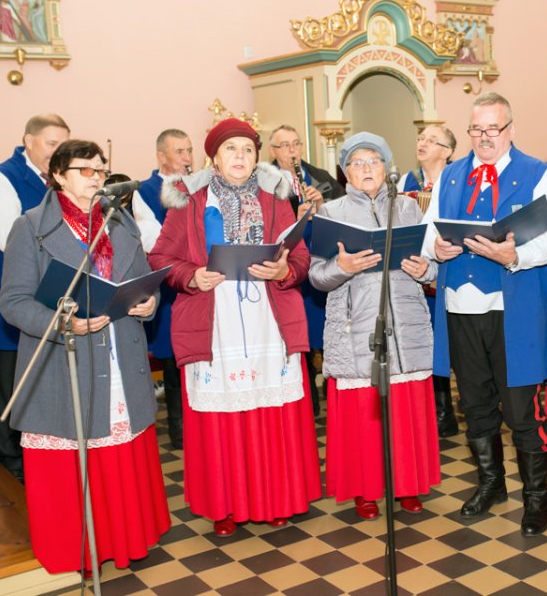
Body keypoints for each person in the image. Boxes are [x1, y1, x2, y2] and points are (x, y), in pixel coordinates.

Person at [0, 139, 169, 573]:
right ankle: (78, 551)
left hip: (120, 351)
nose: (96, 177)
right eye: (85, 170)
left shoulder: (120, 221)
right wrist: (62, 325)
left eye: (100, 169)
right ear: (58, 175)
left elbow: (144, 281)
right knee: (73, 464)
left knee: (118, 457)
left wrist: (149, 303)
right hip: (65, 358)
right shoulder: (32, 226)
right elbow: (14, 302)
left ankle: (123, 541)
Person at [148, 118, 321, 537]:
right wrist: (191, 276)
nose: (239, 157)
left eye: (247, 149)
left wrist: (283, 269)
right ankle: (225, 505)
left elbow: (300, 258)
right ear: (214, 158)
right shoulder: (189, 202)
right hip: (214, 319)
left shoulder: (275, 200)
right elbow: (159, 258)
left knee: (271, 413)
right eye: (230, 150)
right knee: (221, 420)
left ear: (256, 156)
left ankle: (277, 499)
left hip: (269, 318)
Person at [424, 92, 547, 537]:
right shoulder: (450, 176)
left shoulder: (537, 174)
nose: (484, 138)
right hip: (459, 307)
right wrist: (437, 248)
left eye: (493, 129)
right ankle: (490, 483)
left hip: (513, 309)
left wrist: (513, 255)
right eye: (476, 129)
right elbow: (429, 233)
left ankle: (536, 496)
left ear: (510, 129)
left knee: (521, 410)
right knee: (475, 404)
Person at [309, 132, 440, 519]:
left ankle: (408, 486)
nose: (367, 169)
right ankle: (365, 489)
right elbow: (317, 276)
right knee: (362, 415)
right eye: (358, 163)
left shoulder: (409, 208)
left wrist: (424, 269)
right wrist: (341, 267)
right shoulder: (330, 214)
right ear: (345, 171)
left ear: (386, 168)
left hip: (406, 322)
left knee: (405, 413)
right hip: (356, 325)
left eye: (375, 162)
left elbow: (430, 265)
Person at [0, 113, 70, 482]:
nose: (57, 152)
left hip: (54, 299)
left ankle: (47, 464)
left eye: (63, 144)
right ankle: (11, 471)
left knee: (48, 386)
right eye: (51, 144)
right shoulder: (0, 178)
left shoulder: (61, 180)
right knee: (12, 391)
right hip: (13, 302)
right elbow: (10, 239)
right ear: (28, 141)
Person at [269, 124, 345, 415]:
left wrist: (323, 205)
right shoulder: (265, 182)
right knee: (301, 336)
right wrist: (293, 217)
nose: (292, 151)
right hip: (289, 268)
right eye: (284, 145)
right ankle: (307, 405)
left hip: (322, 263)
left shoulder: (322, 177)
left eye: (296, 144)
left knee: (328, 332)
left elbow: (344, 214)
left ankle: (336, 399)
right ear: (273, 152)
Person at [132, 129, 193, 449]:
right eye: (179, 151)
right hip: (168, 288)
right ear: (161, 156)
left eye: (189, 151)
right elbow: (153, 241)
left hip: (201, 282)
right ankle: (179, 429)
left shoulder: (200, 186)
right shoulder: (143, 191)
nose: (187, 158)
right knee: (173, 362)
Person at [399, 124, 460, 437]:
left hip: (446, 273)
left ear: (448, 151)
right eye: (420, 137)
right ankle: (434, 410)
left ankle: (448, 409)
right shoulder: (406, 181)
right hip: (413, 276)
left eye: (431, 140)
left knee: (447, 343)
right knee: (422, 344)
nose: (422, 143)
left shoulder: (457, 182)